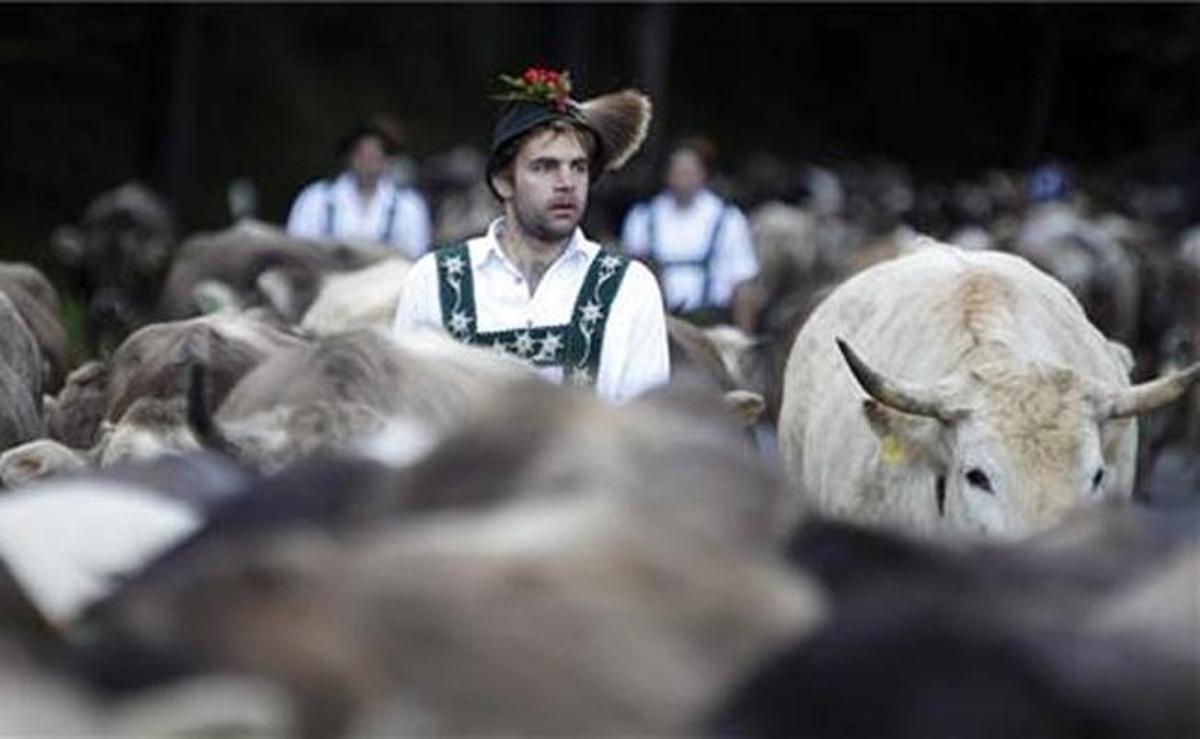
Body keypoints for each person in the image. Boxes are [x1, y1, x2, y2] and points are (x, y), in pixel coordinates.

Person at [392, 67, 669, 402]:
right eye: (545, 167)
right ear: (503, 182)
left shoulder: (630, 288)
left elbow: (647, 433)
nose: (567, 182)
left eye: (578, 167)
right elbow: (406, 417)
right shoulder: (434, 280)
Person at [621, 138, 762, 330]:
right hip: (660, 325)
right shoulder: (642, 218)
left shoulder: (728, 219)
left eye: (690, 171)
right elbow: (631, 281)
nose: (683, 178)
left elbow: (743, 282)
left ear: (703, 174)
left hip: (713, 325)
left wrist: (744, 336)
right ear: (667, 175)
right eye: (678, 171)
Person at [286, 116, 431, 258]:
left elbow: (415, 256)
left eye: (375, 155)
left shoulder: (408, 205)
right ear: (350, 158)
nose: (368, 162)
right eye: (362, 154)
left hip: (386, 280)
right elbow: (297, 250)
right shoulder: (316, 198)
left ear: (387, 160)